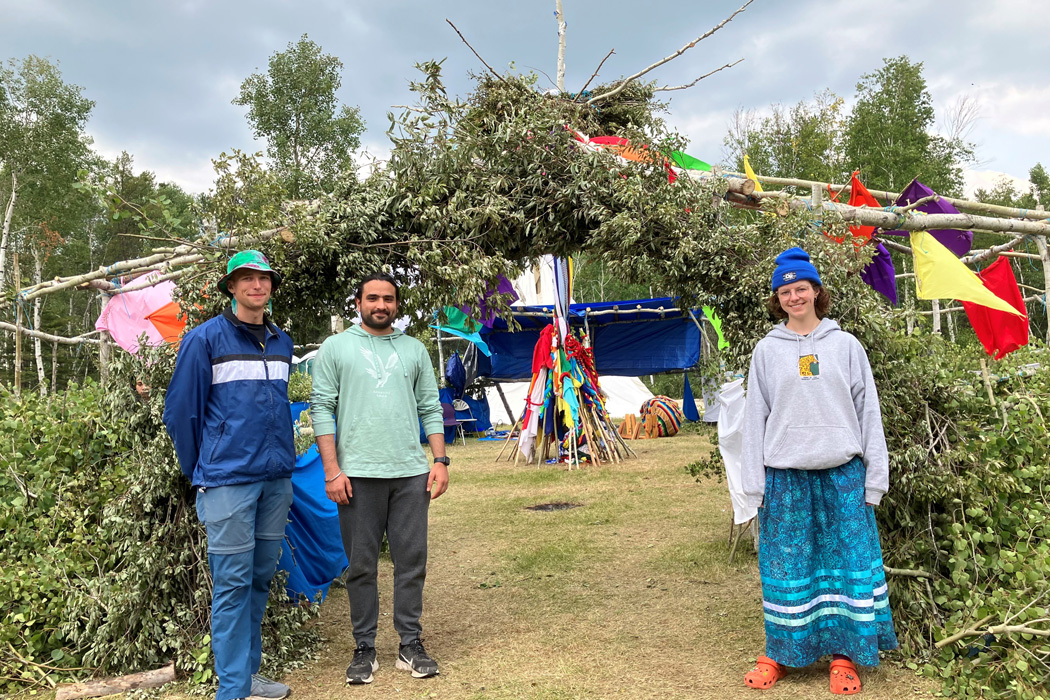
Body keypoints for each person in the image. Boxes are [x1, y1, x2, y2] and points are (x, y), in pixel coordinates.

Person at [741, 247, 898, 695]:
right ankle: (782, 653)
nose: (794, 297)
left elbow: (869, 413)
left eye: (801, 288)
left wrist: (875, 478)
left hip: (841, 475)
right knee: (788, 566)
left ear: (816, 292)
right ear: (778, 299)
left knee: (845, 566)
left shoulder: (845, 346)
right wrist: (753, 487)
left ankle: (844, 657)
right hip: (786, 479)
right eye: (785, 291)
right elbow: (755, 419)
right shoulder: (767, 352)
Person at [163, 250, 296, 700]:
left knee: (259, 579)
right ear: (231, 287)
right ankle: (232, 690)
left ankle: (249, 674)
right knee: (233, 584)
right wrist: (202, 469)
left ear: (271, 287)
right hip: (227, 482)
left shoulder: (282, 342)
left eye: (263, 279)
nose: (256, 286)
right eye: (246, 279)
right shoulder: (204, 340)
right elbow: (182, 413)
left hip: (276, 480)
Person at [310, 272, 448, 685]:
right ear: (358, 303)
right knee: (361, 566)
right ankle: (364, 648)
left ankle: (410, 644)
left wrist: (440, 459)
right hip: (356, 476)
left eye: (388, 299)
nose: (381, 305)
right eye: (373, 298)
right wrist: (332, 470)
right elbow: (321, 409)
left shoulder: (414, 350)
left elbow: (431, 406)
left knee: (411, 563)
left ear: (397, 305)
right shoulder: (335, 348)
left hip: (410, 473)